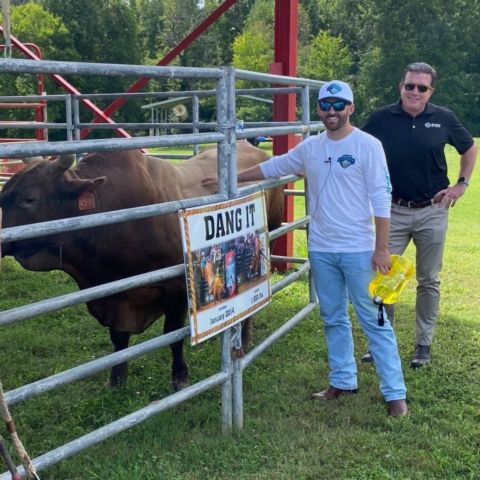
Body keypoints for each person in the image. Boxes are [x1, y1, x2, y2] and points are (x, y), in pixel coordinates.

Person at [203, 80, 408, 416]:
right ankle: (342, 380)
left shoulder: (367, 146)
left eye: (338, 106)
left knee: (375, 320)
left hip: (359, 249)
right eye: (325, 105)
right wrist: (233, 178)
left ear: (351, 108)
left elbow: (381, 198)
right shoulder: (311, 148)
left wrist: (381, 248)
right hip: (322, 249)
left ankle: (395, 393)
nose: (331, 112)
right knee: (333, 317)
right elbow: (275, 166)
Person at [362, 62, 477, 368]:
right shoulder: (381, 118)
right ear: (400, 86)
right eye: (409, 85)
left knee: (429, 280)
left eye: (421, 88)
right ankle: (380, 343)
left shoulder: (443, 118)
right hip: (391, 210)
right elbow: (358, 146)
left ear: (430, 91)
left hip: (432, 210)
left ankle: (422, 346)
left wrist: (461, 185)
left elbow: (469, 149)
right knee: (384, 276)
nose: (414, 92)